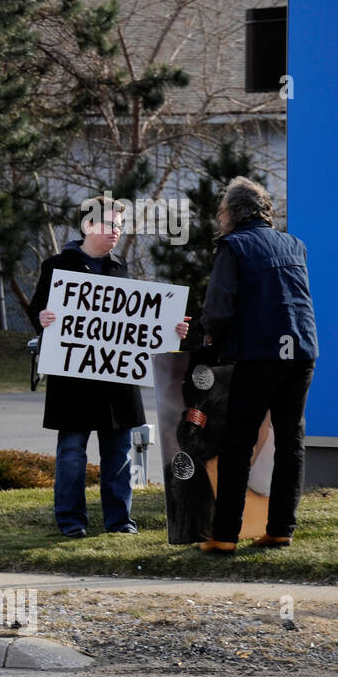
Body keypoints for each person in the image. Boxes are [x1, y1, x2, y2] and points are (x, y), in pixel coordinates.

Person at [26, 196, 189, 538]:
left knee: (119, 453)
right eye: (109, 224)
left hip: (116, 382)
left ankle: (119, 521)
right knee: (72, 453)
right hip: (73, 379)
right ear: (87, 226)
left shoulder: (120, 266)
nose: (115, 231)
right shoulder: (57, 266)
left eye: (118, 225)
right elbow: (37, 313)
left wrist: (170, 329)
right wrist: (43, 319)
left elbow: (133, 323)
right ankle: (71, 522)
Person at [197, 177, 318, 552]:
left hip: (258, 353)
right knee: (290, 440)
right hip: (301, 350)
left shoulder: (233, 247)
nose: (219, 219)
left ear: (234, 213)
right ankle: (281, 529)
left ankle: (225, 537)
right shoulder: (294, 244)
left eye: (221, 212)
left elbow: (219, 306)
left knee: (238, 443)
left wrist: (210, 337)